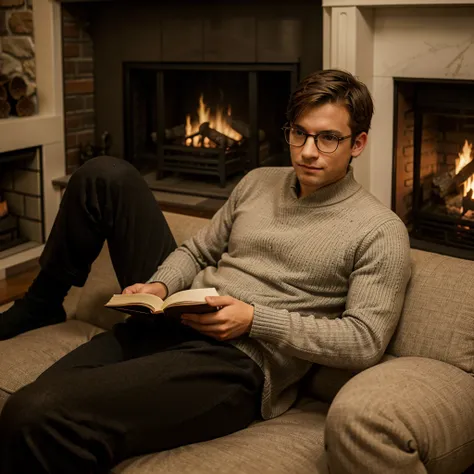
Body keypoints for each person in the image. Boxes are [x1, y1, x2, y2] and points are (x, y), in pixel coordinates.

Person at [0, 69, 411, 474]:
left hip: (234, 363)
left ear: (357, 143)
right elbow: (197, 250)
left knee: (34, 412)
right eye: (299, 133)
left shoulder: (379, 230)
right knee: (104, 174)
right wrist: (161, 284)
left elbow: (364, 340)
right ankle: (41, 303)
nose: (306, 151)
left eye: (327, 139)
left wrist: (254, 320)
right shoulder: (257, 182)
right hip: (170, 322)